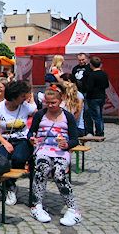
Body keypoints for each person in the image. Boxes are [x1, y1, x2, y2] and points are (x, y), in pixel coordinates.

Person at [28, 88, 82, 226]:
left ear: (60, 101)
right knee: (42, 170)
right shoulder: (40, 114)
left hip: (61, 151)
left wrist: (67, 144)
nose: (50, 105)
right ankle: (36, 206)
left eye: (54, 102)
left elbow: (75, 139)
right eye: (48, 103)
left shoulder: (67, 116)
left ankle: (73, 209)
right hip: (43, 150)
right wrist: (32, 139)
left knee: (59, 174)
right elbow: (31, 133)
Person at [0, 80, 38, 205]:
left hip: (22, 139)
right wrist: (5, 143)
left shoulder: (25, 106)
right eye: (22, 96)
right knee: (0, 161)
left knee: (18, 158)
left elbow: (36, 112)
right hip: (5, 139)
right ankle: (9, 186)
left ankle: (10, 184)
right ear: (14, 96)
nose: (24, 98)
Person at [87, 56, 109, 137]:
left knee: (96, 116)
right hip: (101, 96)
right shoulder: (104, 74)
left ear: (91, 65)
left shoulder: (92, 75)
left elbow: (89, 87)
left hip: (93, 97)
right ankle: (101, 131)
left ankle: (99, 132)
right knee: (100, 115)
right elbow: (107, 85)